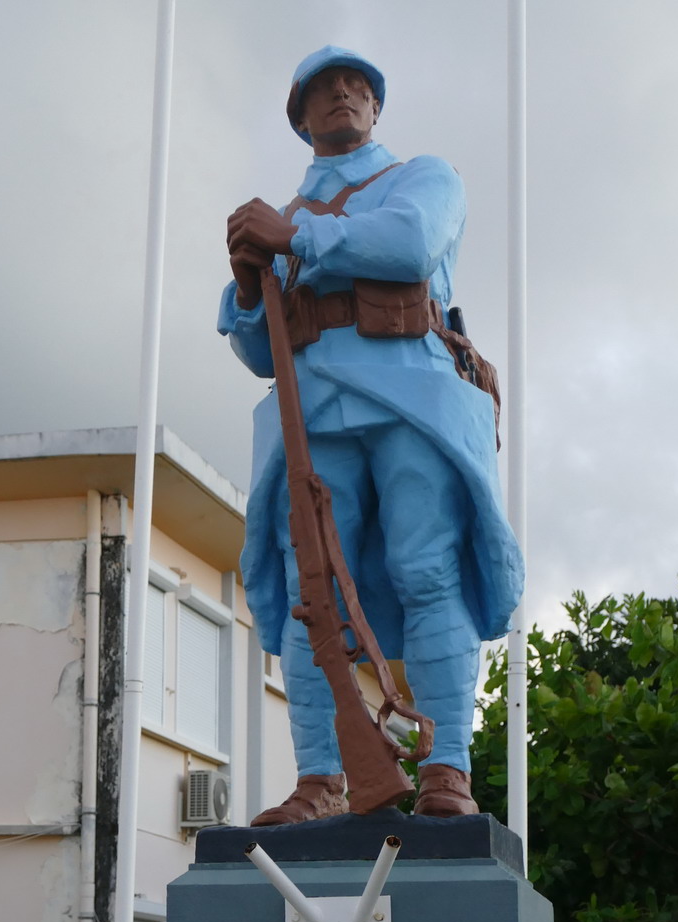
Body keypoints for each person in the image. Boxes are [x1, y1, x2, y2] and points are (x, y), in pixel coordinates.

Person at [219, 46, 523, 826]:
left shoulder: (419, 178)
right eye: (324, 91)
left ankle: (447, 763)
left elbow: (410, 243)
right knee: (307, 600)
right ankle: (320, 778)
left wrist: (294, 242)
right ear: (302, 118)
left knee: (427, 571)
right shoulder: (282, 219)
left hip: (411, 398)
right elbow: (262, 353)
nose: (343, 95)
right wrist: (251, 285)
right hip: (313, 414)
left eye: (357, 87)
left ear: (376, 109)